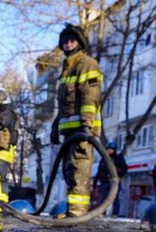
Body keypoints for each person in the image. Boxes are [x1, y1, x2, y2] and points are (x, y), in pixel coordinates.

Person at [50, 23, 102, 217]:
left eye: (71, 41)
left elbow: (90, 97)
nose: (68, 44)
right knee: (69, 170)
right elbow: (64, 105)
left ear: (79, 43)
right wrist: (55, 127)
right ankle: (73, 210)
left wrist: (87, 125)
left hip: (82, 130)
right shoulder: (67, 69)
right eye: (65, 42)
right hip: (69, 132)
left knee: (79, 170)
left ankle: (77, 213)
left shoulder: (86, 64)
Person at [93, 141, 127, 216]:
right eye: (108, 149)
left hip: (114, 182)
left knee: (115, 198)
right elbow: (99, 172)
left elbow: (124, 169)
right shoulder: (104, 159)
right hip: (104, 181)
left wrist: (118, 175)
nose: (109, 151)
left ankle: (115, 213)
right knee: (103, 198)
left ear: (114, 150)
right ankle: (102, 212)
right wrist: (95, 184)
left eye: (111, 149)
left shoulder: (119, 158)